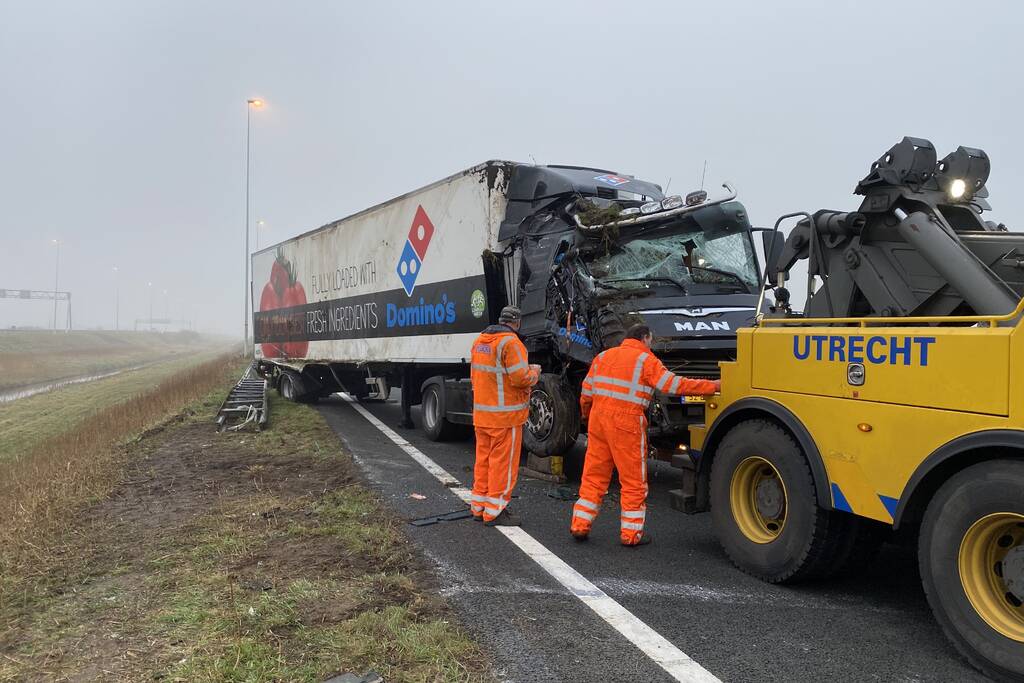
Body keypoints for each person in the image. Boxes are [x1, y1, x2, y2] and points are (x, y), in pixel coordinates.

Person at [570, 323, 720, 546]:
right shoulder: (646, 361)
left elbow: (586, 392)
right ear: (645, 338)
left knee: (593, 476)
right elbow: (674, 385)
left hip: (598, 420)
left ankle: (579, 525)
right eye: (651, 341)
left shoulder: (603, 357)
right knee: (633, 481)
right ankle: (631, 535)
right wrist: (713, 386)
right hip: (626, 423)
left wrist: (586, 415)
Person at [469, 305, 540, 526]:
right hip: (505, 418)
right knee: (503, 465)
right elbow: (520, 378)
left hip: (482, 416)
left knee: (483, 462)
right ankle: (495, 511)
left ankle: (479, 506)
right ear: (517, 323)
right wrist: (535, 373)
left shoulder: (479, 341)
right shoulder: (512, 343)